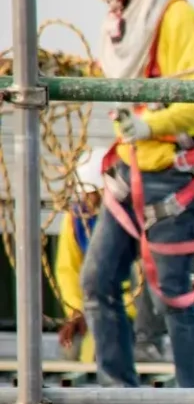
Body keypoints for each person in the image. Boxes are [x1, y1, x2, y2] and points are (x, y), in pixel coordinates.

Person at [66, 0, 194, 404]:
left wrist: (145, 122)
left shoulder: (176, 19)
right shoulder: (122, 23)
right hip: (130, 173)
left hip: (171, 179)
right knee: (98, 282)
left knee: (172, 296)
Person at [52, 150, 158, 364]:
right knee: (71, 350)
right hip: (92, 306)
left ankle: (144, 345)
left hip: (127, 311)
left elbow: (143, 277)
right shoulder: (75, 220)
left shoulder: (131, 217)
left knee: (105, 351)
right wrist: (76, 312)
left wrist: (107, 309)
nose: (88, 200)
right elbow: (67, 270)